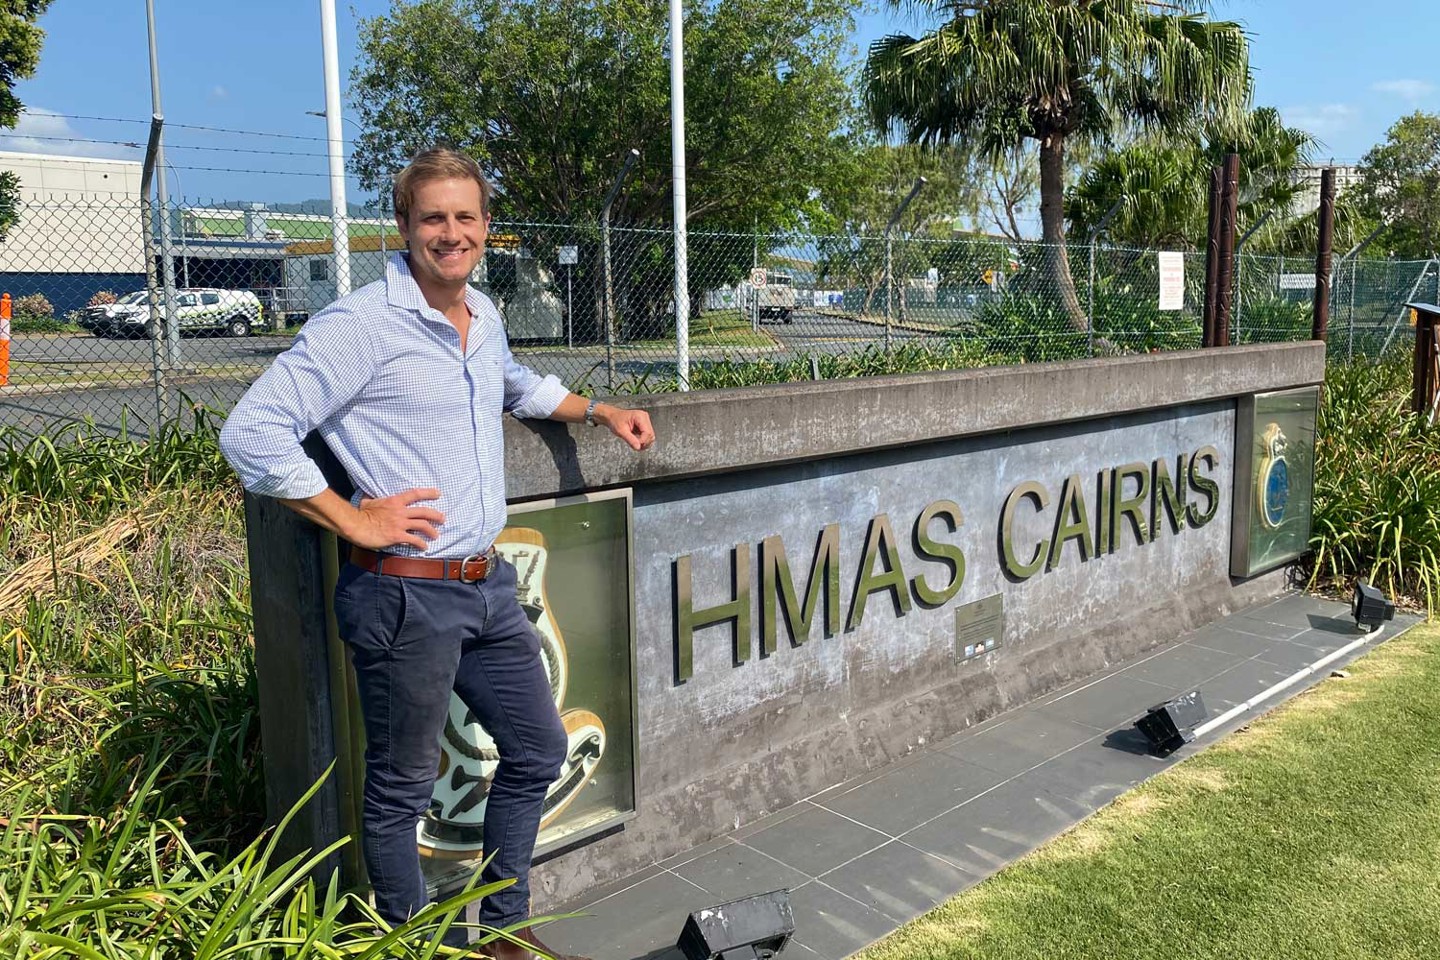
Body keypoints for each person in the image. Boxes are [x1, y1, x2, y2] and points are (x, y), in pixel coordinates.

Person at [220, 146, 654, 960]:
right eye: (433, 219)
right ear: (405, 228)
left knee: (537, 748)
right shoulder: (360, 326)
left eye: (465, 217)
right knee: (402, 791)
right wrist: (349, 518)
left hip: (484, 583)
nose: (450, 234)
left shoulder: (482, 316)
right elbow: (250, 432)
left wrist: (599, 409)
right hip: (403, 594)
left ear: (487, 228)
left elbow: (515, 384)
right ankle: (417, 946)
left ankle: (500, 933)